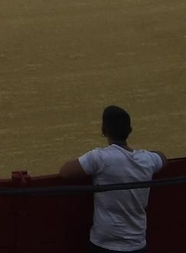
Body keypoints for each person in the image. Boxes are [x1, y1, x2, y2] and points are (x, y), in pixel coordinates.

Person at [57, 106, 166, 253]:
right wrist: (147, 156)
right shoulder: (147, 160)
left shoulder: (100, 158)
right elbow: (162, 158)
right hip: (137, 245)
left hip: (105, 245)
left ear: (103, 130)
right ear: (130, 130)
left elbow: (65, 172)